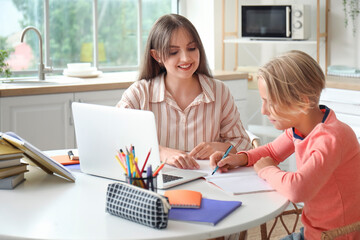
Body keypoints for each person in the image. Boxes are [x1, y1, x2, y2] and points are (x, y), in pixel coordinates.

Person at [210, 50, 360, 239]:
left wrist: (266, 169)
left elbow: (297, 190)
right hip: (313, 233)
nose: (264, 111)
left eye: (270, 103)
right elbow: (272, 151)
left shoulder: (331, 137)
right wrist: (239, 159)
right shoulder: (301, 128)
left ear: (302, 102)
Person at [116, 14, 251, 169]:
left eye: (192, 48)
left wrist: (219, 147)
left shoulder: (219, 91)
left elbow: (243, 143)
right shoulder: (140, 93)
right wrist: (161, 152)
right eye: (174, 52)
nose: (186, 58)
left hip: (209, 181)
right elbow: (117, 138)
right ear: (157, 55)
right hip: (157, 183)